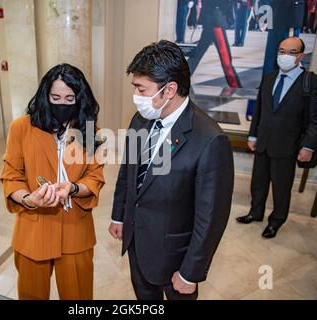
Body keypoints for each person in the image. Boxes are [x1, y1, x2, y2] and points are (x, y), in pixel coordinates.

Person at [109, 40, 234, 300]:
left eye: (142, 89)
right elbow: (128, 173)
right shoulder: (140, 119)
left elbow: (211, 217)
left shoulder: (210, 139)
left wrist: (191, 272)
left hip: (176, 259)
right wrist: (119, 216)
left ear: (169, 90)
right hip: (138, 246)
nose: (137, 97)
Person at [0, 63, 105, 300]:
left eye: (70, 99)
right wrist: (29, 198)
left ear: (80, 99)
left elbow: (95, 177)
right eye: (55, 97)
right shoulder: (21, 128)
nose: (62, 104)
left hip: (75, 229)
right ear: (45, 96)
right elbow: (11, 175)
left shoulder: (91, 131)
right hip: (33, 227)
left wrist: (73, 188)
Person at [237, 37, 317, 238]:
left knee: (281, 187)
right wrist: (253, 135)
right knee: (258, 182)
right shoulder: (269, 77)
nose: (285, 56)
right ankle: (255, 212)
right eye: (282, 51)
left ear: (301, 56)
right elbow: (259, 109)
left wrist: (308, 147)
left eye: (291, 52)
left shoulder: (311, 82)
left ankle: (276, 220)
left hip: (288, 145)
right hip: (264, 141)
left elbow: (315, 120)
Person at [186, 0, 243, 88]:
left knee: (197, 54)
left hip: (211, 19)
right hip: (216, 20)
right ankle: (235, 85)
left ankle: (180, 79)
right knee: (225, 58)